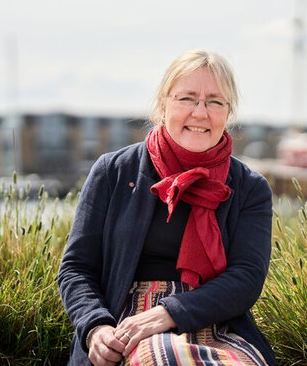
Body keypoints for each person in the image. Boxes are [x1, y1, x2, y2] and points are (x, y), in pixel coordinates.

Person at [57, 49, 276, 366]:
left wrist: (168, 313)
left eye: (215, 102)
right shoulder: (113, 171)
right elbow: (76, 268)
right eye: (187, 98)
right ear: (162, 105)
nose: (200, 113)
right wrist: (95, 327)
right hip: (122, 321)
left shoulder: (249, 187)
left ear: (228, 113)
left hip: (216, 320)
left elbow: (246, 278)